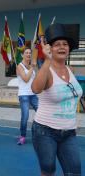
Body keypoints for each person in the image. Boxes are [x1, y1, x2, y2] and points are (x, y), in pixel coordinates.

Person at [31, 23, 83, 176]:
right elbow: (35, 89)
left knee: (74, 171)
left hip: (69, 132)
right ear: (50, 49)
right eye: (57, 44)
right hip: (45, 131)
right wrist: (46, 61)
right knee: (48, 170)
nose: (62, 47)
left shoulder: (70, 70)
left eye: (65, 44)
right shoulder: (46, 70)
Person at [16, 47, 38, 145]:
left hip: (33, 94)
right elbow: (25, 79)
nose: (29, 54)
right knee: (25, 116)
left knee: (41, 113)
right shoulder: (19, 66)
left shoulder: (31, 67)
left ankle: (38, 133)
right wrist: (32, 67)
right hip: (24, 94)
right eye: (26, 53)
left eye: (30, 53)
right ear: (22, 55)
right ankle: (22, 136)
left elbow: (34, 81)